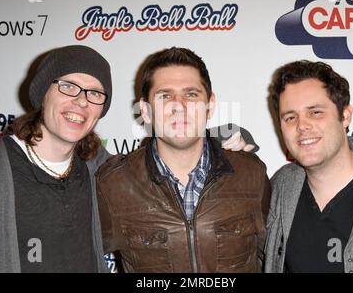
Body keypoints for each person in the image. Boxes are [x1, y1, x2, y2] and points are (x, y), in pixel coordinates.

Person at [96, 47, 271, 273]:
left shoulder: (251, 174)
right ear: (145, 111)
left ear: (210, 105)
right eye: (165, 96)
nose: (179, 106)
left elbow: (275, 257)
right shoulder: (113, 185)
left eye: (191, 94)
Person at [0, 45, 112, 272]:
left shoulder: (98, 167)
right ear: (43, 94)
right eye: (68, 86)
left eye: (94, 93)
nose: (82, 101)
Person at [264, 60, 353, 273]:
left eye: (315, 112)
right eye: (290, 117)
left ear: (345, 116)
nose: (302, 125)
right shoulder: (279, 188)